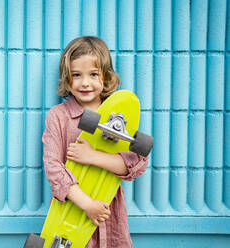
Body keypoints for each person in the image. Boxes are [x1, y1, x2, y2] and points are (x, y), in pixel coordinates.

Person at [42, 36, 148, 247]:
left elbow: (136, 165)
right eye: (76, 75)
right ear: (67, 78)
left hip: (109, 210)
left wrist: (93, 157)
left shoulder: (120, 116)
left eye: (93, 74)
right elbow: (53, 168)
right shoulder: (58, 116)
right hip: (72, 210)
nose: (85, 83)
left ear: (106, 77)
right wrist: (87, 203)